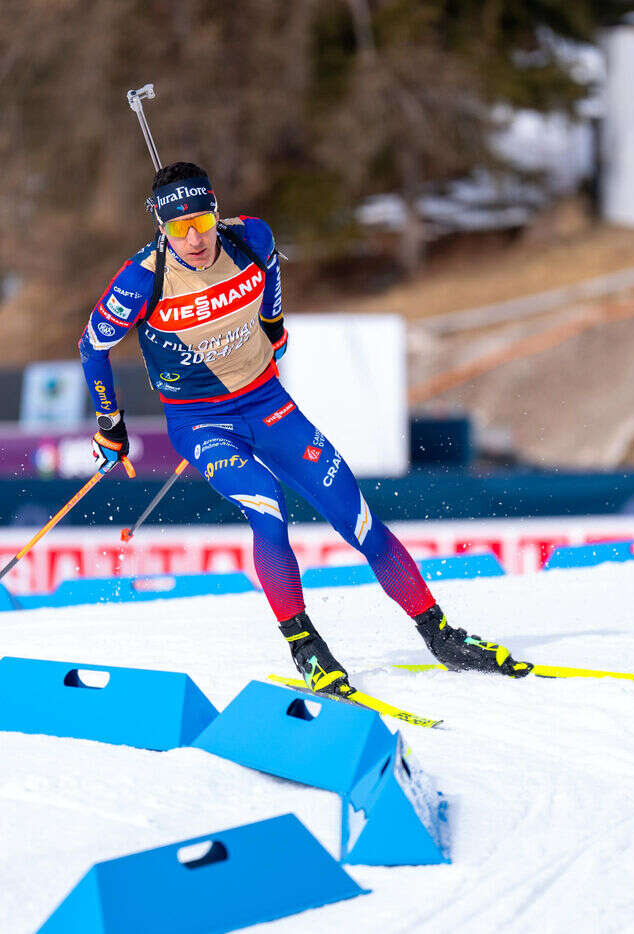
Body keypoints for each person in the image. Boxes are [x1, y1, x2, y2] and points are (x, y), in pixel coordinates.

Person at [78, 161, 531, 697]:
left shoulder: (250, 238)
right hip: (201, 422)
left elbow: (270, 276)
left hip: (268, 403)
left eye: (201, 220)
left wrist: (273, 325)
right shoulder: (141, 279)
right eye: (179, 228)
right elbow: (92, 347)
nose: (194, 237)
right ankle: (306, 648)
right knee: (268, 504)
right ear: (159, 226)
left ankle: (440, 634)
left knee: (355, 515)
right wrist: (110, 423)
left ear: (216, 211)